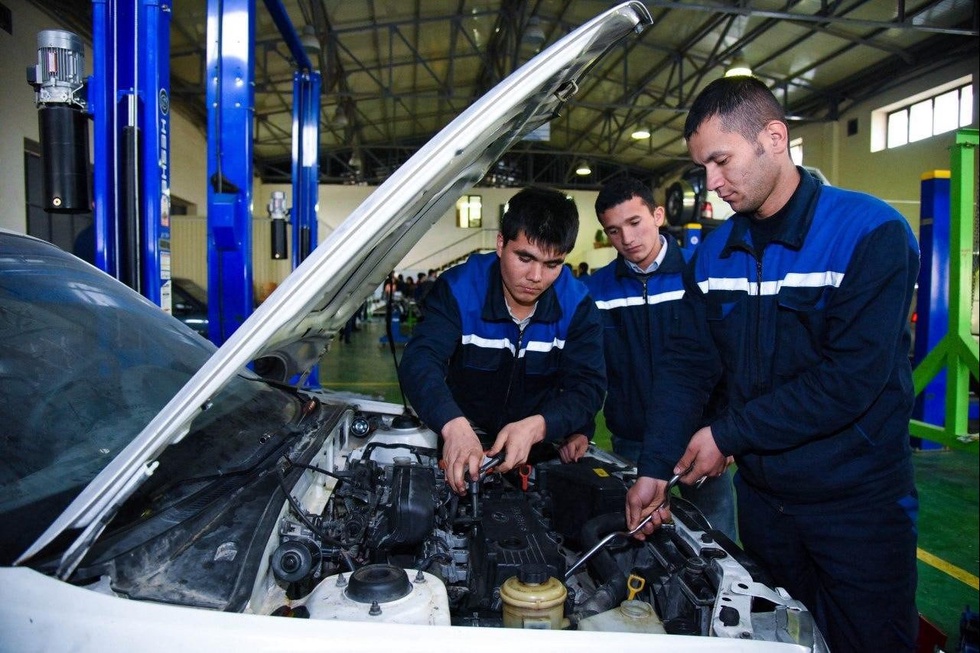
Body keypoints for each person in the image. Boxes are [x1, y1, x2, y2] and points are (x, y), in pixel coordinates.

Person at [625, 75, 920, 652]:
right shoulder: (714, 255)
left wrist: (728, 434)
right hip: (765, 506)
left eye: (721, 161)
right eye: (702, 169)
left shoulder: (870, 233)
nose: (712, 184)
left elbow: (849, 380)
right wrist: (655, 467)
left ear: (774, 138)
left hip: (859, 506)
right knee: (777, 640)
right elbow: (687, 367)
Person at [399, 187, 606, 495]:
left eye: (552, 264)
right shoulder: (459, 289)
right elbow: (420, 360)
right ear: (500, 243)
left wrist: (540, 426)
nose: (536, 276)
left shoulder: (577, 305)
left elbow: (588, 387)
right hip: (463, 436)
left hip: (536, 446)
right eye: (525, 257)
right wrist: (452, 424)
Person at [570, 176, 736, 541]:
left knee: (718, 543)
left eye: (635, 222)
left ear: (658, 215)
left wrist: (726, 431)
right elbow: (587, 370)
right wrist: (579, 425)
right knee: (643, 547)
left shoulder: (701, 272)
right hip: (633, 440)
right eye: (614, 231)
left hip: (700, 439)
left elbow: (732, 357)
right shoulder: (595, 292)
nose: (627, 239)